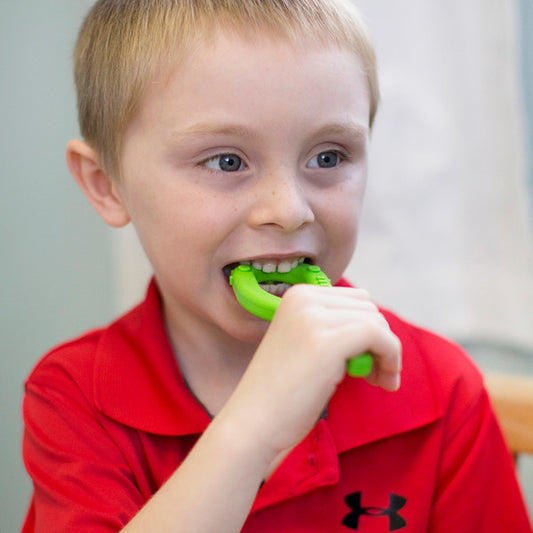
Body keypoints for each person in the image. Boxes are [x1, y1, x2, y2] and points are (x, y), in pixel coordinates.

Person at [21, 0, 531, 531]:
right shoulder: (75, 398)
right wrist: (256, 425)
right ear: (107, 185)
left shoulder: (440, 390)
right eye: (226, 161)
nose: (289, 211)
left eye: (328, 157)